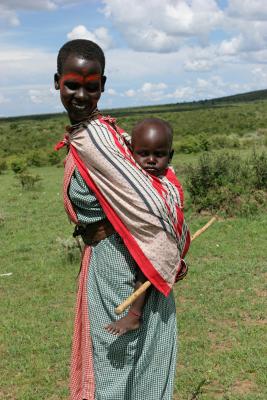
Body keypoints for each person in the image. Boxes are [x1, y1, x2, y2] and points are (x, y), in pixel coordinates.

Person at [55, 39, 190, 400]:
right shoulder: (101, 135)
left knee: (117, 363)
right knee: (132, 360)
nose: (81, 94)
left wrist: (166, 248)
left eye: (91, 85)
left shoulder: (101, 137)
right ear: (57, 82)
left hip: (123, 264)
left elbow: (150, 198)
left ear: (103, 85)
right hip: (118, 260)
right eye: (72, 84)